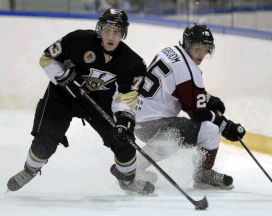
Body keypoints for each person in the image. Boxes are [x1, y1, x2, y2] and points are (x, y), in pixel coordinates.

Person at [7, 8, 155, 196]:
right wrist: (63, 75)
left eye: (116, 32)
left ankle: (127, 181)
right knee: (45, 141)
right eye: (107, 30)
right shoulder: (77, 40)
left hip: (99, 103)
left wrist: (124, 120)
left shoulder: (133, 63)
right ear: (100, 29)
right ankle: (29, 170)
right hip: (63, 96)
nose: (111, 36)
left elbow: (125, 97)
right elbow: (47, 57)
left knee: (125, 142)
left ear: (123, 34)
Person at [133, 23, 246, 190]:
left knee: (171, 138)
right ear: (187, 44)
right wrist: (224, 124)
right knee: (210, 129)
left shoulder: (169, 51)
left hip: (138, 121)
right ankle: (203, 174)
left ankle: (132, 168)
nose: (201, 54)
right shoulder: (189, 70)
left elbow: (177, 88)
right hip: (155, 124)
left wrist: (206, 97)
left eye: (205, 49)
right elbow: (197, 114)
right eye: (197, 48)